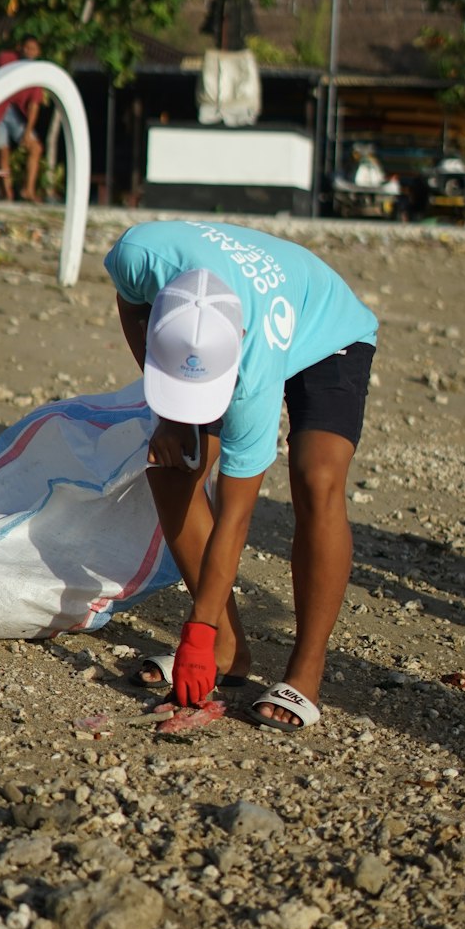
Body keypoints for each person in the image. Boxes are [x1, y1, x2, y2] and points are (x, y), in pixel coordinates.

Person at [104, 219, 378, 732]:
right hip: (236, 307)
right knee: (171, 465)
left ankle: (306, 669)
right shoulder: (139, 253)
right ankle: (230, 651)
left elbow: (236, 516)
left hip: (329, 329)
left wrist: (196, 631)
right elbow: (131, 302)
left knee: (316, 478)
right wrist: (169, 410)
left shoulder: (254, 374)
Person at [0, 35, 44, 202]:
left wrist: (28, 132)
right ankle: (7, 194)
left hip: (17, 115)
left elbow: (34, 105)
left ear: (38, 52)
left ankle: (28, 190)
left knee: (36, 148)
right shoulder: (6, 59)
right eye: (27, 48)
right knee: (3, 152)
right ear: (20, 47)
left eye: (34, 49)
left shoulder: (37, 72)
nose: (30, 52)